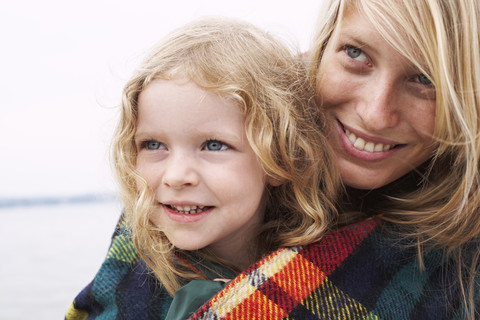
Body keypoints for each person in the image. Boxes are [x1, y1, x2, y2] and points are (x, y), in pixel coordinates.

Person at [69, 0, 480, 318]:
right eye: (355, 53)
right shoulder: (232, 114)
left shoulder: (462, 258)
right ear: (324, 42)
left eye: (425, 79)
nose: (375, 113)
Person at [65, 17, 340, 319]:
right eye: (154, 145)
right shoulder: (131, 274)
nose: (176, 176)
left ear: (279, 158)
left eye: (213, 145)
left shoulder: (334, 266)